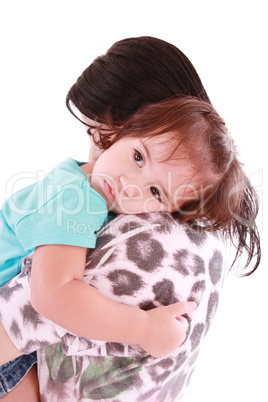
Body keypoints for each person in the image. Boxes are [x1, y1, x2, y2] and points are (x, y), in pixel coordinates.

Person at [0, 37, 260, 401]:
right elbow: (52, 295)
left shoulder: (89, 192)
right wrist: (143, 328)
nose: (130, 187)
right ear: (117, 130)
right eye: (138, 157)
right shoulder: (75, 199)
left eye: (156, 193)